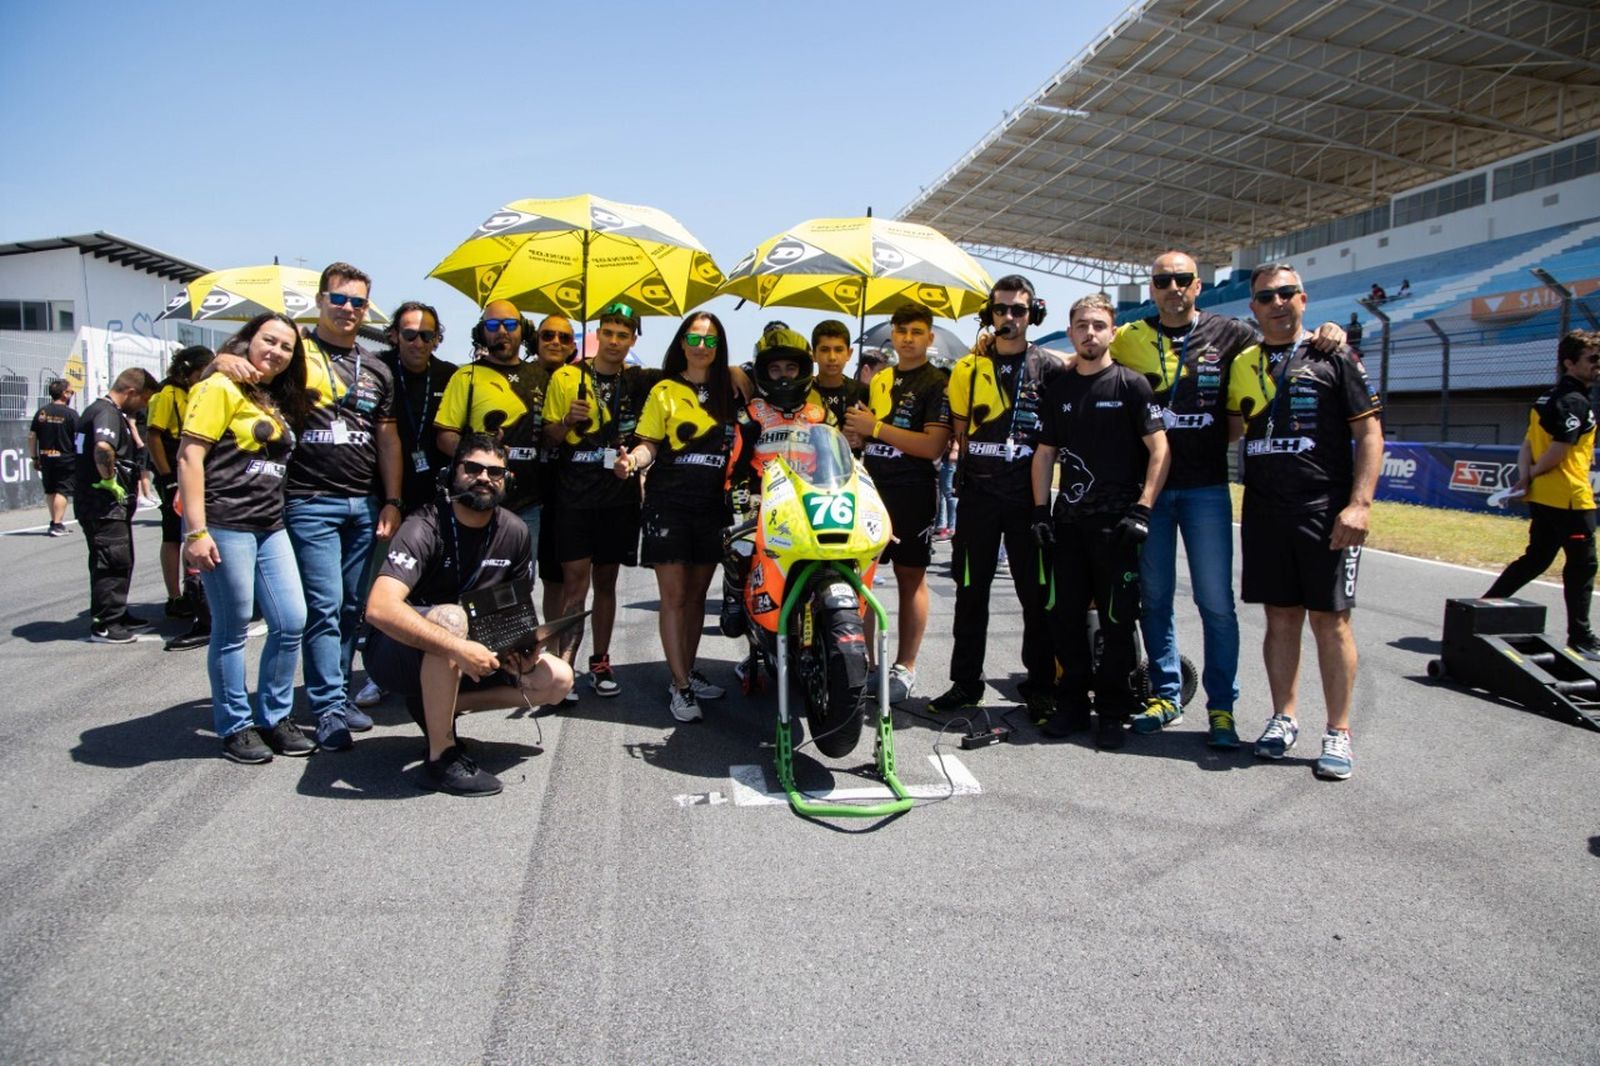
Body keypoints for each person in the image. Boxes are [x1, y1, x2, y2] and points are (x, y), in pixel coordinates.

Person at [1110, 251, 1346, 745]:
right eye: (1162, 281)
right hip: (1149, 491)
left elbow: (1285, 342)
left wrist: (1330, 331)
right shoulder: (1128, 337)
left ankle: (1222, 708)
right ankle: (1166, 695)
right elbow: (1083, 353)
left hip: (1206, 489)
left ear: (1198, 286)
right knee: (1155, 600)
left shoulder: (1233, 334)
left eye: (1182, 279)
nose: (1173, 287)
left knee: (1215, 603)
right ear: (1151, 289)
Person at [215, 262, 403, 748]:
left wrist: (392, 499)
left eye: (357, 302)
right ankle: (326, 707)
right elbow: (248, 365)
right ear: (320, 300)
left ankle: (336, 694)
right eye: (338, 299)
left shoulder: (377, 367)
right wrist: (222, 360)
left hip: (364, 502)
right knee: (324, 606)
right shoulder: (296, 350)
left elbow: (387, 438)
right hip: (308, 500)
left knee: (352, 608)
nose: (347, 308)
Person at [1227, 263, 1383, 781]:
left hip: (1324, 510)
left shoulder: (1333, 353)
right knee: (1280, 617)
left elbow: (1370, 434)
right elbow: (1229, 425)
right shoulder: (1244, 361)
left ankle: (1338, 731)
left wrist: (1360, 504)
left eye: (1286, 293)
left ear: (1303, 299)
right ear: (1253, 307)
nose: (1277, 302)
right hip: (1264, 509)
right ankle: (1283, 717)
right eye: (1265, 296)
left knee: (1330, 620)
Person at [365, 434, 574, 796]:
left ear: (507, 480)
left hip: (476, 649)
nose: (484, 478)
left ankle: (434, 707)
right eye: (473, 468)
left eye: (495, 472)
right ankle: (441, 759)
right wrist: (457, 647)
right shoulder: (423, 526)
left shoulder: (515, 531)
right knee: (451, 619)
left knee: (558, 680)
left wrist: (520, 650)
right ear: (452, 473)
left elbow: (514, 608)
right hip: (397, 653)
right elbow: (379, 607)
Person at [1031, 293, 1168, 748]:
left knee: (1116, 623)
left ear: (1112, 331)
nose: (1090, 333)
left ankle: (1112, 710)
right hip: (1068, 526)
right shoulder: (1059, 389)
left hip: (1118, 527)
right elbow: (1044, 454)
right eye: (1081, 326)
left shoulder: (1132, 385)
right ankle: (1071, 705)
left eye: (1098, 325)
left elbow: (1160, 450)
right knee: (1064, 618)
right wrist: (1040, 511)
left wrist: (1143, 508)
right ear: (1071, 332)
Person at [177, 314, 314, 763]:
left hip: (270, 526)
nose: (276, 351)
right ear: (248, 340)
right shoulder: (218, 387)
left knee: (290, 621)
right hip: (225, 523)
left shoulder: (273, 397)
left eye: (286, 347)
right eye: (268, 340)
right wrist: (195, 532)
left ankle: (275, 717)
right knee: (232, 627)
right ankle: (235, 725)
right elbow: (189, 458)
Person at [930, 275, 1066, 721]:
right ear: (988, 314)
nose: (1009, 317)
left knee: (1036, 597)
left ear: (1033, 315)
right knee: (970, 594)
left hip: (1028, 500)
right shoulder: (967, 369)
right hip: (978, 498)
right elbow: (958, 430)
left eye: (1018, 310)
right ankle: (966, 683)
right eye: (1001, 309)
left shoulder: (1050, 367)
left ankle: (1041, 685)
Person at [619, 311, 738, 723]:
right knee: (673, 597)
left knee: (697, 597)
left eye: (710, 340)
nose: (702, 346)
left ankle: (686, 670)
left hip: (713, 506)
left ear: (719, 347)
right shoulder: (664, 389)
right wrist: (633, 461)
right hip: (668, 502)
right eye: (695, 338)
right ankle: (681, 685)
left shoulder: (732, 389)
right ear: (682, 342)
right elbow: (648, 444)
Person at [542, 302, 660, 701]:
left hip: (618, 498)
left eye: (622, 335)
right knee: (574, 585)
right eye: (607, 332)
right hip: (573, 497)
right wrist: (567, 422)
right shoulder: (566, 376)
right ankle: (563, 670)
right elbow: (547, 440)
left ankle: (600, 662)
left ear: (633, 340)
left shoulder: (640, 380)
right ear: (597, 334)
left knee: (606, 583)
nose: (613, 341)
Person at [843, 302, 953, 703]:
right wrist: (859, 435)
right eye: (901, 331)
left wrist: (875, 427)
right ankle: (865, 664)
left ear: (930, 337)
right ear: (892, 334)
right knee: (860, 579)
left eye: (916, 332)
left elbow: (932, 446)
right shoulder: (880, 379)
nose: (908, 339)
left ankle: (905, 666)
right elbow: (870, 435)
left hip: (913, 491)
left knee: (911, 579)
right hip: (872, 489)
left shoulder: (937, 382)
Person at [1483, 330, 1600, 656]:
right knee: (1583, 566)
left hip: (1544, 496)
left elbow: (1526, 444)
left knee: (1536, 559)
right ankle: (1581, 637)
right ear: (1569, 363)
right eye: (1592, 359)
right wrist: (1530, 475)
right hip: (1569, 497)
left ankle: (1481, 608)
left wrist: (1525, 477)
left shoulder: (1546, 398)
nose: (1598, 365)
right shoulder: (1573, 401)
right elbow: (1559, 450)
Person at [718, 331, 828, 665]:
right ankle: (734, 595)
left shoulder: (820, 414)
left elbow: (839, 460)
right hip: (763, 503)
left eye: (791, 368)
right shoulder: (751, 414)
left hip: (811, 503)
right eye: (775, 369)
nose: (783, 376)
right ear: (763, 372)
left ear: (803, 370)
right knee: (739, 545)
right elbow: (736, 464)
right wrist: (737, 494)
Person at [434, 300, 549, 555]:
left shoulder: (541, 376)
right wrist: (479, 452)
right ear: (481, 332)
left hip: (528, 504)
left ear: (523, 329)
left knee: (520, 579)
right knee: (473, 577)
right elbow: (444, 437)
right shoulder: (466, 376)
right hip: (476, 499)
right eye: (493, 325)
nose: (502, 331)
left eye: (510, 324)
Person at [74, 367, 159, 642]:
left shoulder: (101, 410)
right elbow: (103, 447)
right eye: (144, 399)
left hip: (103, 504)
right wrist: (109, 479)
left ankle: (117, 612)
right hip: (102, 504)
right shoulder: (106, 412)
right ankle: (106, 624)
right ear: (131, 392)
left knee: (119, 559)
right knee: (111, 561)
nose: (144, 406)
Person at [146, 346, 214, 617]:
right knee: (173, 534)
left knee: (197, 528)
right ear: (189, 371)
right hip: (173, 467)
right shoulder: (166, 394)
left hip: (198, 465)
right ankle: (174, 596)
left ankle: (196, 590)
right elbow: (153, 437)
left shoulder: (202, 391)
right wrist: (167, 478)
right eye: (203, 371)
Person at [532, 315, 578, 636]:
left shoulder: (579, 379)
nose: (555, 342)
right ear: (536, 340)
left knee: (555, 581)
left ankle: (551, 649)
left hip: (561, 493)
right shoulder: (521, 376)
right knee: (510, 582)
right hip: (519, 494)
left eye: (564, 337)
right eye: (548, 335)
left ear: (573, 346)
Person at [29, 379, 76, 537]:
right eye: (71, 392)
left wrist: (34, 457)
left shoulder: (42, 412)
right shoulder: (71, 414)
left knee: (50, 490)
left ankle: (54, 521)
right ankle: (57, 524)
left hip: (46, 457)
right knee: (62, 490)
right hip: (66, 458)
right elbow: (80, 437)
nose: (72, 395)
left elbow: (32, 436)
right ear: (64, 394)